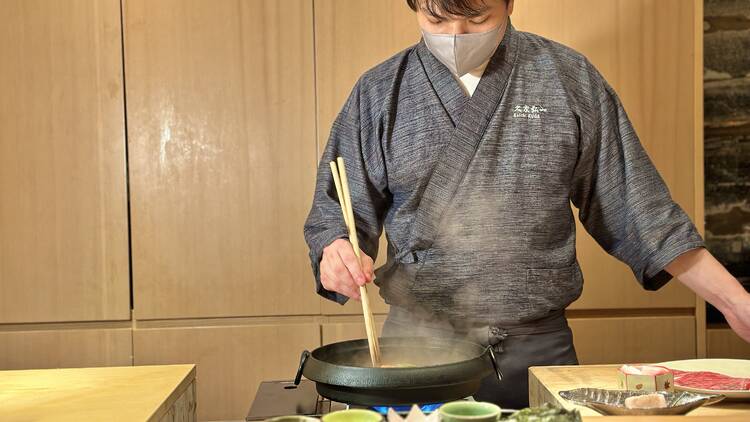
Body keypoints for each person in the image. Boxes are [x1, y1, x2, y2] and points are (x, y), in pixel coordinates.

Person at [304, 0, 750, 409]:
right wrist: (336, 251)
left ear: (510, 2)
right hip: (416, 351)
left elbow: (640, 209)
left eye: (477, 17)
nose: (456, 34)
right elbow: (336, 213)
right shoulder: (380, 90)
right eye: (436, 19)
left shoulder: (567, 76)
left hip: (538, 348)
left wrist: (734, 302)